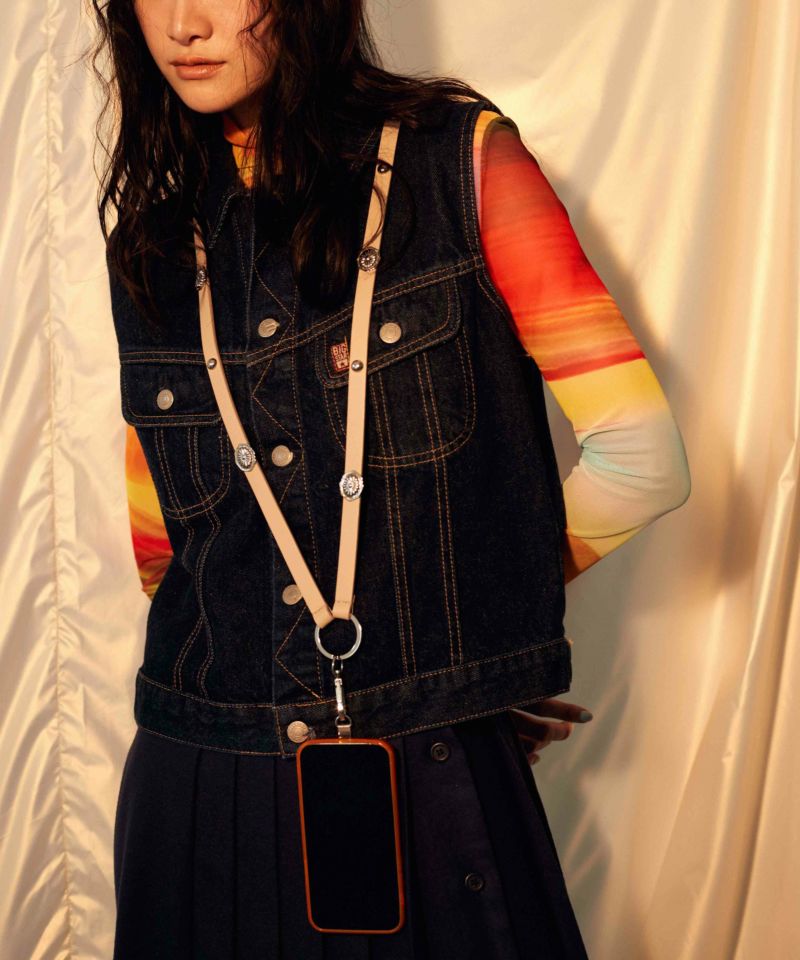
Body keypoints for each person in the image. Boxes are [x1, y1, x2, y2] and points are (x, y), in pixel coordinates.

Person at [93, 1, 691, 957]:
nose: (184, 24)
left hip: (419, 774)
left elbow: (641, 455)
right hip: (196, 788)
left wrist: (461, 640)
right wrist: (441, 650)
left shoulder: (464, 165)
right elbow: (166, 545)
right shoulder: (155, 241)